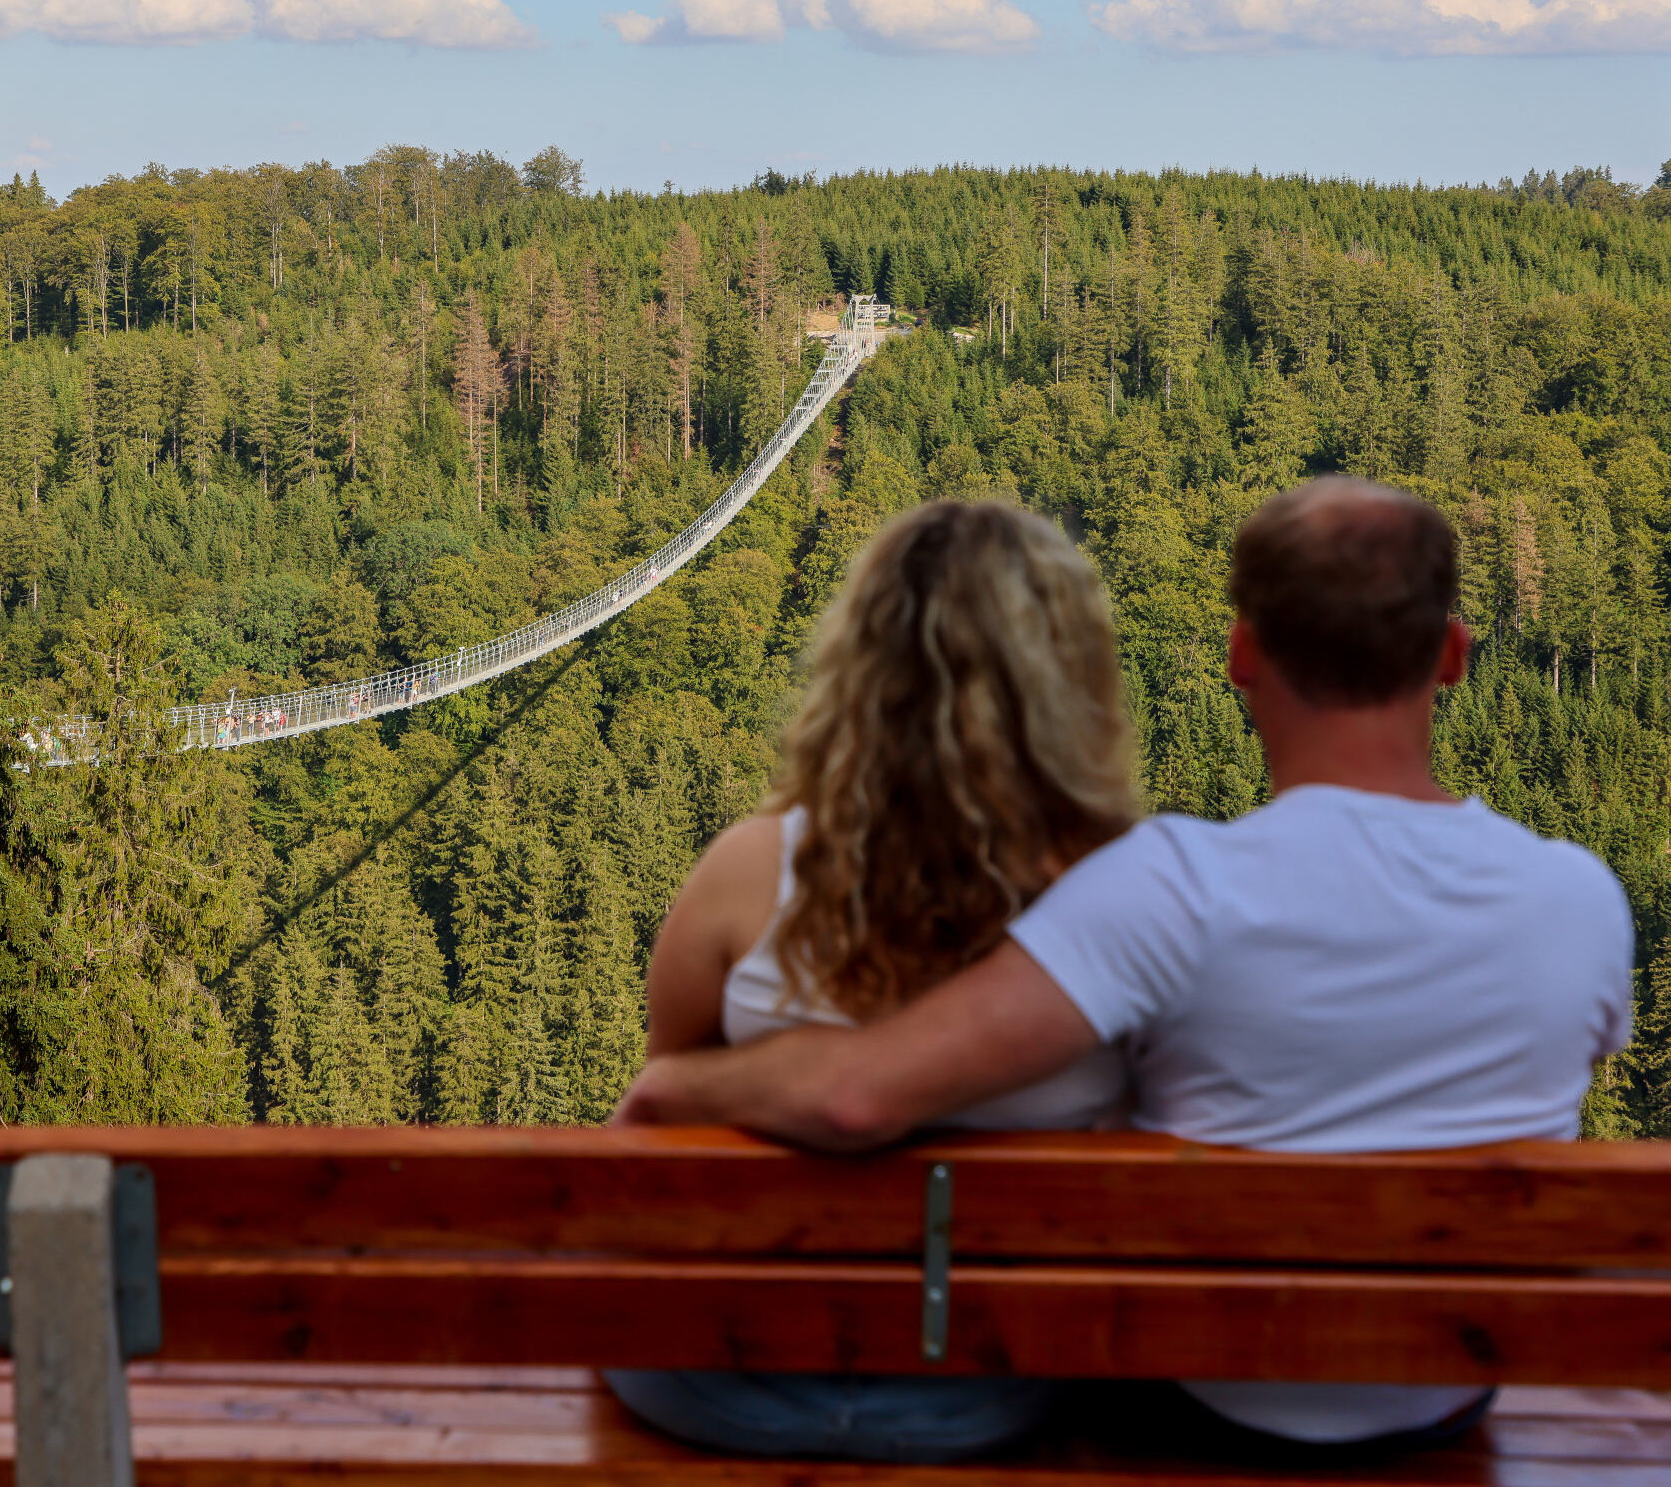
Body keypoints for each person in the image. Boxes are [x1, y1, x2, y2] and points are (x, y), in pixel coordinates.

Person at [617, 477, 1633, 1458]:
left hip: (1187, 1397)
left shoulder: (1173, 891)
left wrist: (672, 1088)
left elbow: (854, 1096)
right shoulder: (1581, 899)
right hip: (1439, 1393)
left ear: (1241, 654)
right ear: (1452, 656)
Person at [607, 498, 1143, 1465]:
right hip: (997, 1382)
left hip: (720, 1376)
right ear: (1069, 685)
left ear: (856, 674)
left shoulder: (744, 874)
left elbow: (663, 1132)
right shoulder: (1133, 900)